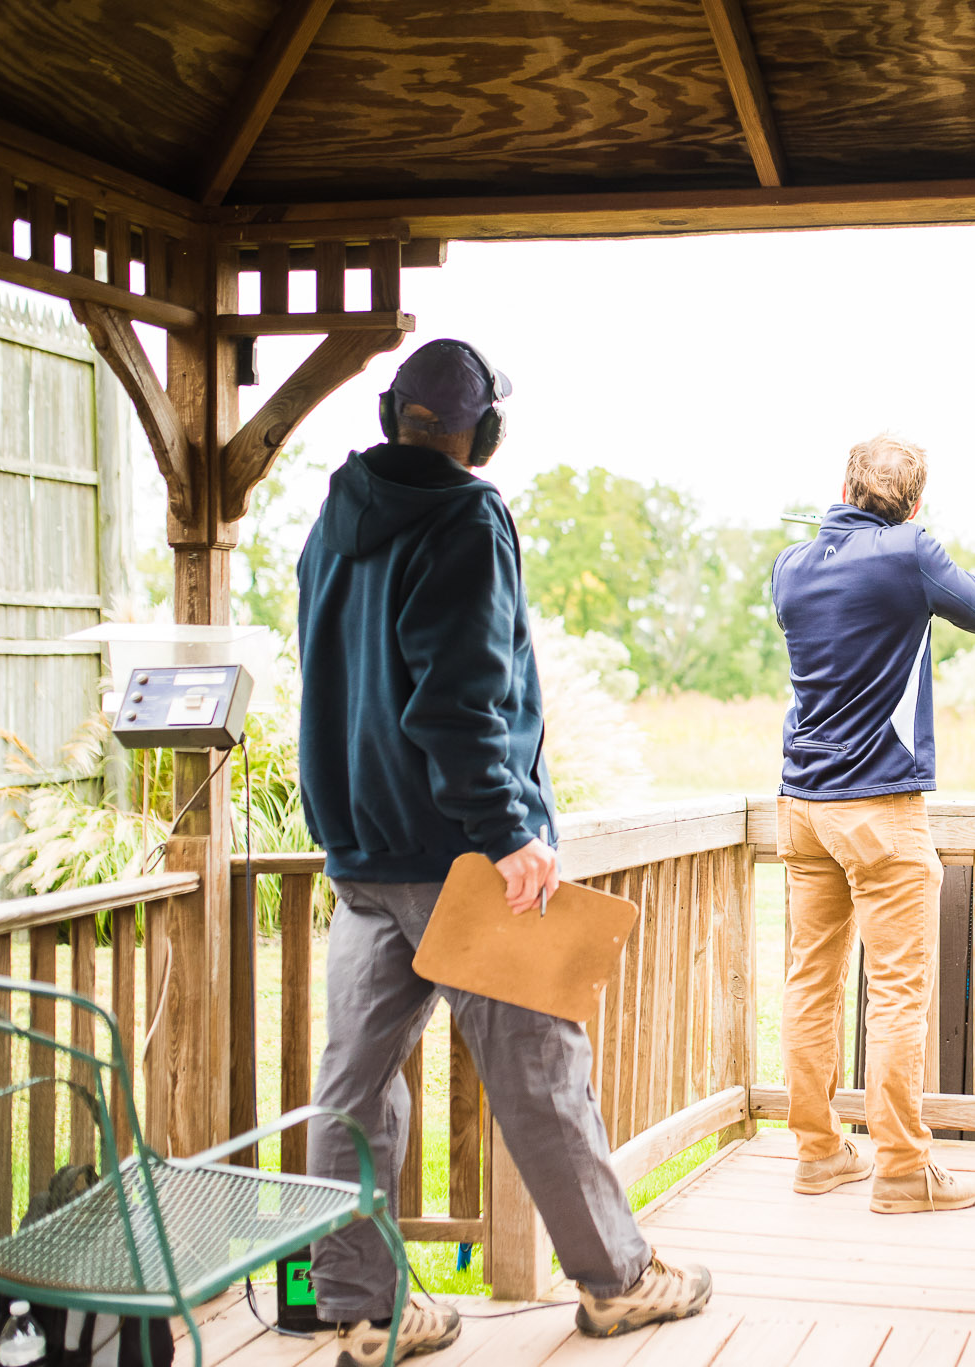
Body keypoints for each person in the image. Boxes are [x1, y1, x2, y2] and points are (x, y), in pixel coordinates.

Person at [295, 338, 710, 1358]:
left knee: (351, 1084)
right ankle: (617, 1281)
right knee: (539, 1072)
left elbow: (338, 678)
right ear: (481, 433)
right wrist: (510, 829)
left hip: (359, 856)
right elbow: (459, 695)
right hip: (459, 860)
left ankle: (358, 1302)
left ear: (394, 414)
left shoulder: (332, 516)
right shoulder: (467, 515)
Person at [770, 434, 975, 1213]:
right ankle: (901, 1168)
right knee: (897, 991)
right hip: (877, 805)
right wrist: (919, 546)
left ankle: (818, 1153)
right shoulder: (910, 553)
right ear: (916, 503)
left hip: (801, 804)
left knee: (810, 984)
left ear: (843, 485)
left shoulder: (790, 567)